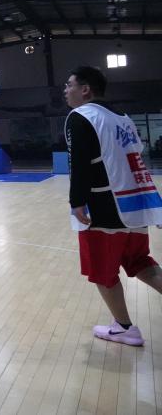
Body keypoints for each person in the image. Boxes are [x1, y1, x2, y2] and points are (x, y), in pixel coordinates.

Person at [65, 65, 162, 346]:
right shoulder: (123, 118)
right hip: (136, 203)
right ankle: (122, 326)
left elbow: (79, 163)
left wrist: (77, 201)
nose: (65, 91)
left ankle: (124, 327)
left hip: (104, 204)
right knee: (141, 262)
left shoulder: (81, 116)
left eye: (69, 85)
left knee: (103, 271)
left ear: (85, 89)